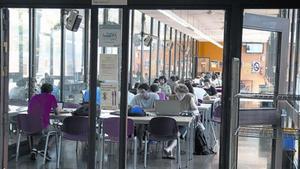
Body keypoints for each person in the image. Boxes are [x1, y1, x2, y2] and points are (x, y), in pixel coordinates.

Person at [164, 84, 199, 158]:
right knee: (174, 131)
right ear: (175, 92)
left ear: (186, 93)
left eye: (182, 94)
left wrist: (188, 111)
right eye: (178, 94)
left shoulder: (189, 98)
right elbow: (165, 109)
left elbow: (195, 109)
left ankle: (169, 149)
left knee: (178, 131)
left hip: (184, 121)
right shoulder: (170, 97)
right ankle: (169, 150)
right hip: (172, 120)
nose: (180, 96)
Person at [27, 83, 59, 161]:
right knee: (57, 131)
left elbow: (30, 109)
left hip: (31, 124)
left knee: (37, 132)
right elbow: (56, 112)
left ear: (41, 90)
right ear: (51, 91)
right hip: (43, 123)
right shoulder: (51, 97)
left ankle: (34, 150)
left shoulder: (34, 97)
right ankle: (45, 150)